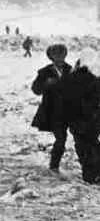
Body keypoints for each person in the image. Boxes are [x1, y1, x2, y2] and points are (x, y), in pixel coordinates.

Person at [31, 44, 73, 172]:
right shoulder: (44, 72)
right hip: (52, 112)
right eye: (56, 55)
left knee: (80, 139)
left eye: (62, 54)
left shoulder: (71, 70)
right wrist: (46, 84)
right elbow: (36, 90)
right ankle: (54, 166)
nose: (60, 57)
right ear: (51, 57)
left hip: (70, 112)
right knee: (61, 139)